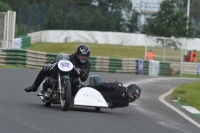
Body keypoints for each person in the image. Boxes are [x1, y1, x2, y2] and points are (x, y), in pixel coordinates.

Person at [24, 44, 91, 96]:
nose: (82, 57)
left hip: (73, 79)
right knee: (46, 67)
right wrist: (53, 61)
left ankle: (68, 94)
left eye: (84, 56)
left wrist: (82, 74)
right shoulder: (71, 57)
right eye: (81, 55)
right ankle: (35, 86)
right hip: (63, 72)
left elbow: (84, 79)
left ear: (87, 56)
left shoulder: (87, 63)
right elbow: (63, 60)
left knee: (76, 82)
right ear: (77, 54)